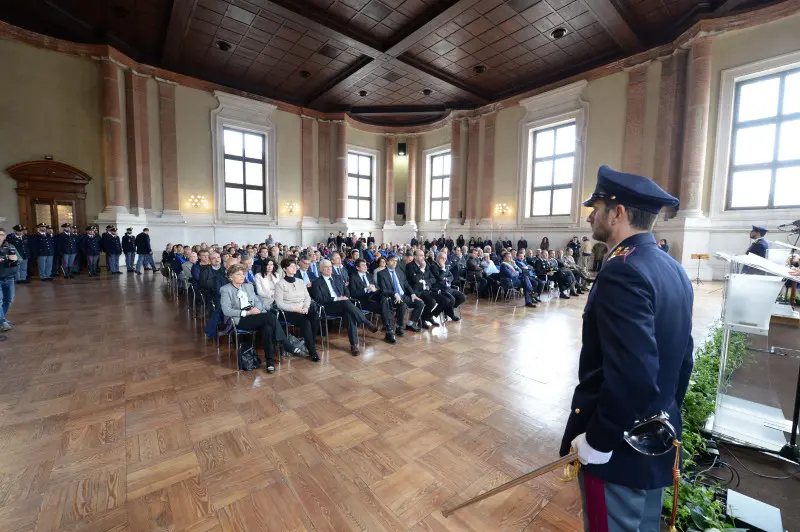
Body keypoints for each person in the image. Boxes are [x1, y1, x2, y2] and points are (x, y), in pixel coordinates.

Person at [559, 166, 693, 532]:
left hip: (620, 447)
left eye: (597, 206)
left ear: (617, 212)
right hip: (653, 439)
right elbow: (684, 360)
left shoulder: (623, 271)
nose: (590, 215)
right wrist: (661, 414)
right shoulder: (672, 268)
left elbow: (632, 377)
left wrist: (599, 441)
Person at [220, 264, 289, 374]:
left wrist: (257, 308)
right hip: (241, 319)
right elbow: (226, 311)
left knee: (268, 328)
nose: (242, 276)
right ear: (230, 277)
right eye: (238, 274)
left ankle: (269, 361)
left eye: (243, 274)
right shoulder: (225, 289)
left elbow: (257, 300)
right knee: (270, 317)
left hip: (255, 316)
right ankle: (286, 343)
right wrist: (247, 312)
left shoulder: (249, 286)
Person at [310, 259, 379, 356]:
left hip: (343, 305)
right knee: (345, 303)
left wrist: (344, 297)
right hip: (328, 307)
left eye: (330, 266)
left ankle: (354, 345)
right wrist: (336, 298)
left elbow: (347, 291)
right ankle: (366, 323)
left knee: (349, 313)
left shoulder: (337, 278)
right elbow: (319, 299)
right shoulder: (316, 282)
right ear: (320, 269)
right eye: (326, 267)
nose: (329, 268)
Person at [274, 259, 320, 362]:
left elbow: (307, 297)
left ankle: (309, 342)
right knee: (305, 322)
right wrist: (296, 309)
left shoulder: (300, 281)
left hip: (303, 309)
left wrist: (305, 307)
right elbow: (279, 304)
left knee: (315, 316)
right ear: (285, 269)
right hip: (289, 311)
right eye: (291, 266)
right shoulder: (280, 284)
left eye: (295, 266)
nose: (295, 268)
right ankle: (312, 351)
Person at [349, 258, 397, 344]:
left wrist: (375, 289)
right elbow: (353, 293)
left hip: (374, 298)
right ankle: (389, 331)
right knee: (386, 306)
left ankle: (389, 330)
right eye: (363, 265)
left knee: (384, 299)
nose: (365, 267)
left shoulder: (369, 275)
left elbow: (377, 288)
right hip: (363, 301)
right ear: (357, 267)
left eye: (366, 265)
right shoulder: (353, 277)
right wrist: (366, 289)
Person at [376, 254, 424, 333]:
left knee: (420, 303)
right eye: (392, 261)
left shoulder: (399, 271)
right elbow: (383, 290)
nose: (395, 263)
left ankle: (410, 324)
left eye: (396, 261)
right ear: (387, 262)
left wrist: (413, 294)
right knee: (403, 305)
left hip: (403, 296)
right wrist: (394, 294)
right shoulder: (381, 273)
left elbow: (406, 285)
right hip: (392, 297)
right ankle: (400, 327)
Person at [430, 251, 466, 320]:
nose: (444, 260)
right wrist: (443, 269)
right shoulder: (433, 266)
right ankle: (451, 314)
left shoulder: (445, 266)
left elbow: (451, 276)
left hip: (448, 287)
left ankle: (447, 310)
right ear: (438, 258)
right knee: (451, 299)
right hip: (440, 288)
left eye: (445, 258)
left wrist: (446, 279)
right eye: (442, 258)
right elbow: (439, 278)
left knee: (462, 297)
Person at [0, 228, 18, 332]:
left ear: (5, 236)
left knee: (9, 300)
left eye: (2, 234)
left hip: (9, 277)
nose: (0, 237)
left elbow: (18, 259)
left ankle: (2, 319)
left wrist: (15, 259)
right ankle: (2, 322)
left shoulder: (10, 246)